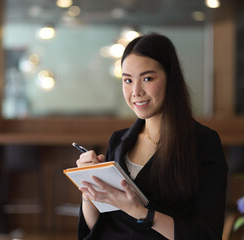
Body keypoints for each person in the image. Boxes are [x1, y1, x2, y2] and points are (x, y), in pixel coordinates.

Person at [75, 33, 227, 240]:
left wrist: (140, 212)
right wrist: (89, 189)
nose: (136, 91)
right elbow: (100, 227)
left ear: (170, 79)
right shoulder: (119, 141)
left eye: (147, 78)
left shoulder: (203, 142)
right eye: (127, 80)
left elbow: (207, 234)